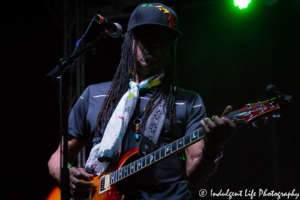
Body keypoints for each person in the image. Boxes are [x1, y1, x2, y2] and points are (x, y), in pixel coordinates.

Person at [48, 2, 236, 200]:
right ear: (130, 40)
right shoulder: (94, 95)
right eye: (148, 37)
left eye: (164, 40)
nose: (155, 45)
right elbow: (58, 156)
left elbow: (196, 176)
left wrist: (214, 148)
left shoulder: (187, 102)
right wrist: (64, 174)